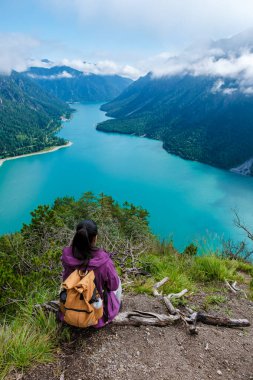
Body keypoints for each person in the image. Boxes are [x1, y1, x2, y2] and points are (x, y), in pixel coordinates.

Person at [61, 219, 122, 328]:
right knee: (117, 281)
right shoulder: (104, 261)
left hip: (70, 308)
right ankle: (115, 306)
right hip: (95, 312)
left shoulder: (66, 256)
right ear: (95, 237)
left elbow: (65, 279)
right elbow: (113, 286)